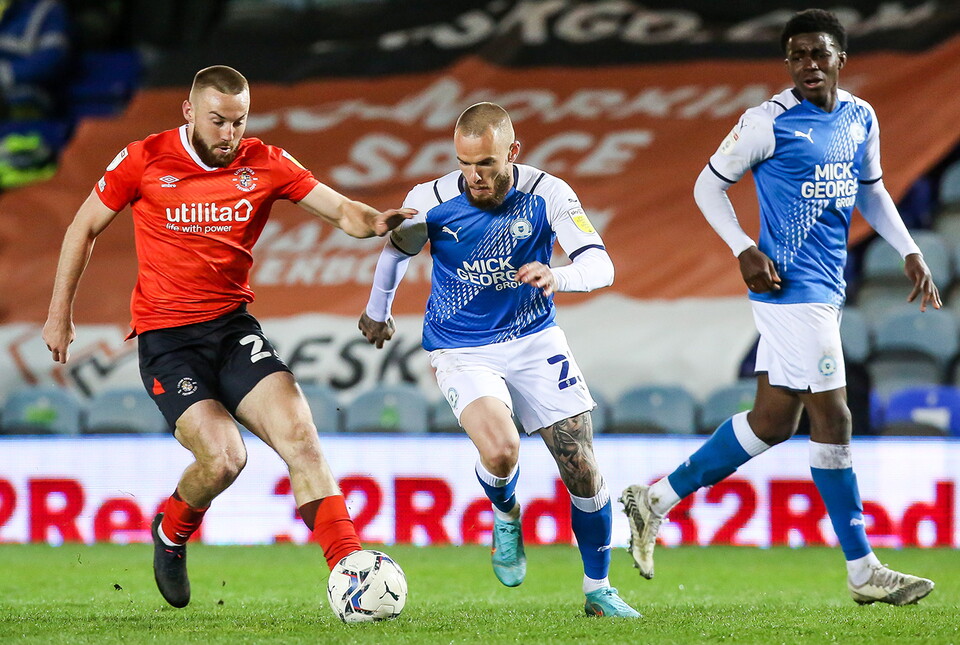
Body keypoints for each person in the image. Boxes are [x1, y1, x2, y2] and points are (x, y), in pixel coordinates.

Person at [42, 65, 413, 608]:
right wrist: (60, 315)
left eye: (239, 122)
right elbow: (83, 226)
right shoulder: (144, 158)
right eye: (218, 121)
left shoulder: (265, 161)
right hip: (168, 341)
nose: (229, 135)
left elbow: (342, 211)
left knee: (302, 439)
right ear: (190, 112)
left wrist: (377, 222)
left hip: (232, 329)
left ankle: (351, 567)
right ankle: (170, 532)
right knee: (224, 458)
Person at [619, 9, 939, 607]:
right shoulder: (766, 122)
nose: (808, 65)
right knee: (835, 418)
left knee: (772, 422)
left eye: (819, 54)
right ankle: (862, 567)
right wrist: (743, 248)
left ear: (841, 58)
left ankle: (652, 500)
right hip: (789, 290)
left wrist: (910, 249)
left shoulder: (860, 117)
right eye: (797, 56)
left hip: (827, 287)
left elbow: (870, 188)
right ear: (788, 64)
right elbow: (706, 186)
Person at [358, 102, 639, 618]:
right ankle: (506, 514)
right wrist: (378, 311)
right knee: (503, 449)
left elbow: (602, 265)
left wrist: (559, 275)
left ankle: (598, 590)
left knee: (581, 467)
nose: (473, 176)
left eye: (486, 163)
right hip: (460, 346)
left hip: (535, 338)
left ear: (513, 151)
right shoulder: (432, 198)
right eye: (464, 163)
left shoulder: (548, 193)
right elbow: (398, 249)